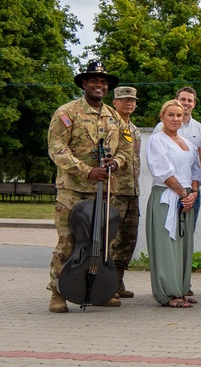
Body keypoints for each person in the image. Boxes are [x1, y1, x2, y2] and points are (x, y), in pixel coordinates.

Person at [47, 61, 129, 313]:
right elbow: (57, 149)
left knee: (103, 244)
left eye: (103, 82)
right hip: (73, 191)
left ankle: (100, 290)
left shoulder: (115, 117)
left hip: (103, 192)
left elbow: (126, 149)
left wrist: (115, 162)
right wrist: (86, 170)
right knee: (68, 243)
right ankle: (57, 293)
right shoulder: (67, 112)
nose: (99, 85)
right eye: (94, 80)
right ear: (84, 83)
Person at [146, 99, 201, 308]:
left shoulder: (188, 143)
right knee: (167, 245)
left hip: (187, 197)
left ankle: (181, 287)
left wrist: (194, 193)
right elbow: (161, 170)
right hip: (167, 197)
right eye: (171, 115)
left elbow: (196, 171)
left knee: (184, 244)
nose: (175, 119)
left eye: (179, 115)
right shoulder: (157, 140)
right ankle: (169, 294)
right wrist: (182, 194)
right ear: (162, 117)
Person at [154, 87, 201, 236]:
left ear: (194, 104)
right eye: (183, 99)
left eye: (189, 100)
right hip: (168, 188)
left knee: (187, 232)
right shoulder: (160, 128)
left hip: (192, 190)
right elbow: (159, 160)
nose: (186, 103)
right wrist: (177, 185)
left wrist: (193, 185)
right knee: (166, 234)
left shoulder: (200, 129)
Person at [110, 86, 141, 300]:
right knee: (111, 239)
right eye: (124, 100)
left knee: (128, 239)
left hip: (132, 191)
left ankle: (118, 280)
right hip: (114, 192)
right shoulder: (109, 126)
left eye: (131, 100)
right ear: (114, 103)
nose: (128, 103)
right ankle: (106, 283)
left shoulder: (135, 130)